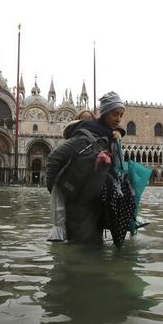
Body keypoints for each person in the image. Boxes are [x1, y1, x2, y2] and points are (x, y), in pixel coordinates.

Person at [46, 91, 125, 244]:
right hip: (77, 207)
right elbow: (53, 158)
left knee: (93, 249)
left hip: (96, 204)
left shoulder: (108, 138)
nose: (119, 119)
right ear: (105, 113)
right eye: (115, 114)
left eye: (121, 115)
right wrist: (56, 190)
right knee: (81, 251)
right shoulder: (83, 138)